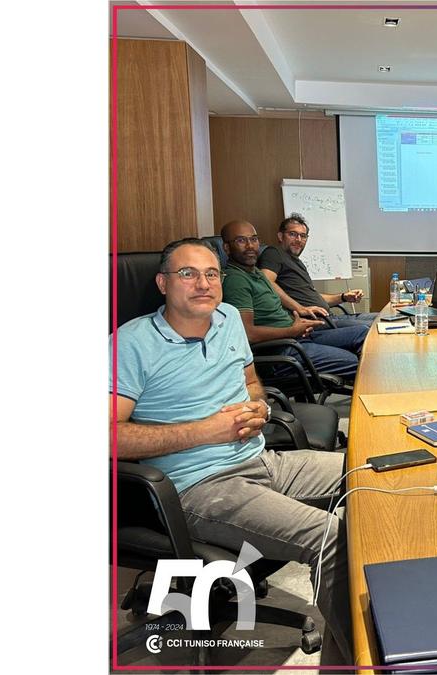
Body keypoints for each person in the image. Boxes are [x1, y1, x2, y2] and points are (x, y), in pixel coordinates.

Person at [110, 238, 353, 663]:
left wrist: (259, 408)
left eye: (211, 274)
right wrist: (207, 431)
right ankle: (359, 660)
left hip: (262, 460)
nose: (203, 284)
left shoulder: (227, 319)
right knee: (333, 538)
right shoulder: (130, 343)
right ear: (163, 283)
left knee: (369, 472)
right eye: (188, 274)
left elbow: (252, 384)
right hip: (199, 488)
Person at [220, 219, 368, 379]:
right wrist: (292, 329)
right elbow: (248, 334)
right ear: (226, 248)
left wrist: (298, 319)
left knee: (362, 333)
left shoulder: (255, 273)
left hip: (297, 336)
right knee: (358, 363)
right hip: (282, 350)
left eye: (254, 239)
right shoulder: (236, 281)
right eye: (241, 240)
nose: (250, 246)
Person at [258, 214, 380, 328]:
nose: (298, 239)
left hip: (331, 317)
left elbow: (313, 296)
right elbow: (266, 281)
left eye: (303, 236)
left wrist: (343, 297)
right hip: (317, 322)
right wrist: (300, 308)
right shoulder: (274, 253)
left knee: (382, 318)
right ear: (280, 236)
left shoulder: (296, 262)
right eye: (293, 234)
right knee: (374, 327)